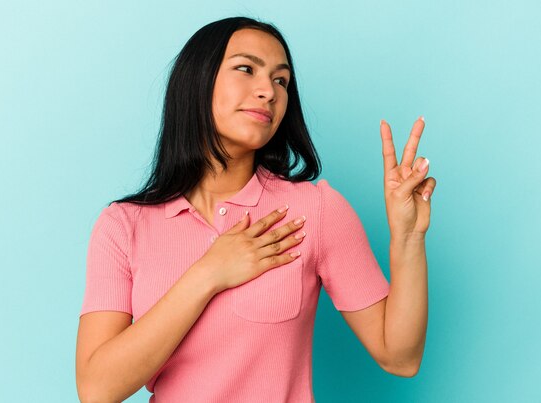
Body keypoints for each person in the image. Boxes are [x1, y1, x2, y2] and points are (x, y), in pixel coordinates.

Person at [76, 16, 435, 403]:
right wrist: (209, 273)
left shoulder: (314, 211)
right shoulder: (123, 225)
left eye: (281, 80)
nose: (268, 91)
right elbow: (97, 390)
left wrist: (409, 237)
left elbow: (400, 357)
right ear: (197, 80)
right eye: (246, 69)